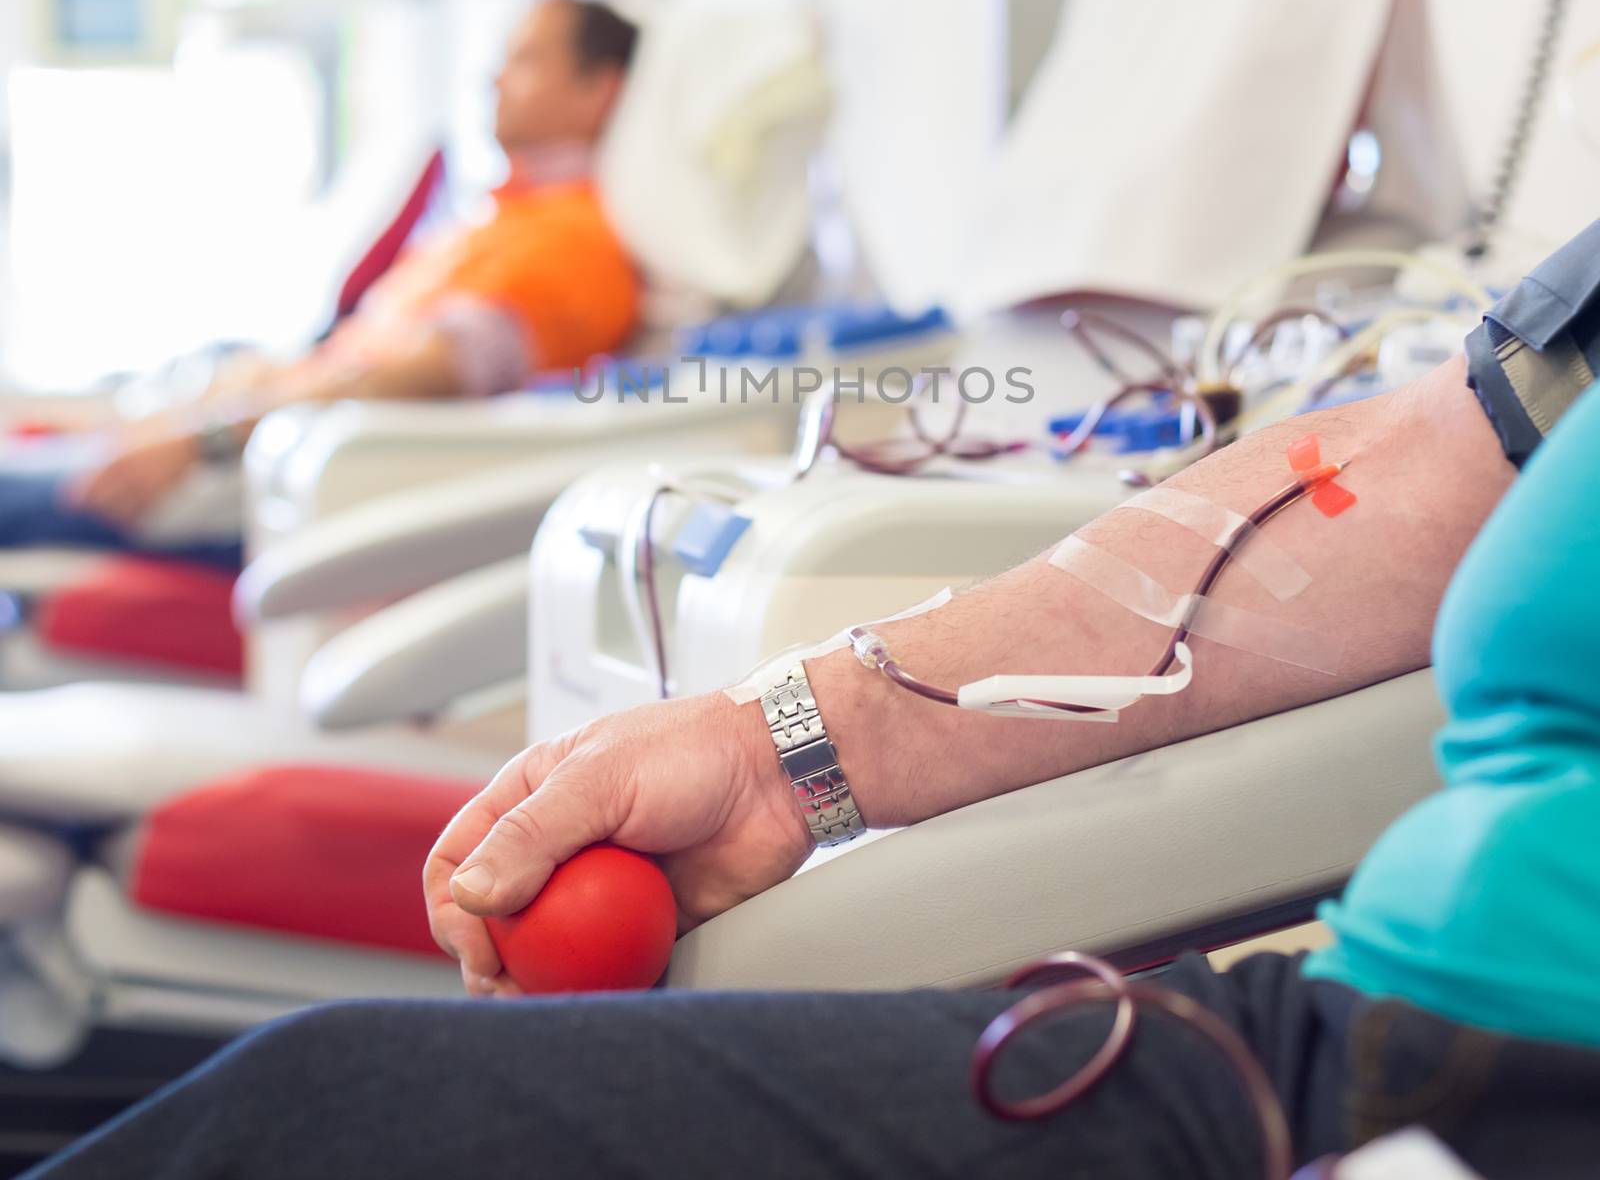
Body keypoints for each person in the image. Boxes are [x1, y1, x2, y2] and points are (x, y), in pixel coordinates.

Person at [21, 228, 1600, 1178]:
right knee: (329, 1114)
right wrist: (779, 751)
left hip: (1514, 1093)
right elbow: (1418, 470)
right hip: (1345, 1026)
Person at [0, 0, 642, 563]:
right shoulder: (499, 219)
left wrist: (206, 438)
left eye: (527, 60)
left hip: (278, 474)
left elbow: (415, 376)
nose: (494, 79)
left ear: (598, 90)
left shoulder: (574, 243)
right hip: (260, 435)